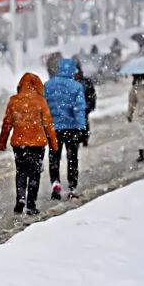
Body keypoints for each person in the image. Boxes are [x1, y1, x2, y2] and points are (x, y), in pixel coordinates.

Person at [0, 73, 58, 215]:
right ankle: (31, 205)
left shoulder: (14, 101)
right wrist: (54, 144)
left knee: (21, 171)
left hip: (19, 144)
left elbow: (7, 123)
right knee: (34, 173)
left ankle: (21, 198)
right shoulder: (40, 102)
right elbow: (48, 125)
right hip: (37, 144)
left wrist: (2, 142)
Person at [44, 58, 86, 200]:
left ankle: (55, 184)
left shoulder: (48, 86)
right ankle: (72, 187)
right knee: (72, 158)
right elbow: (79, 109)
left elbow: (44, 108)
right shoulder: (76, 86)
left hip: (54, 129)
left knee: (54, 158)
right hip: (72, 128)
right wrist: (81, 127)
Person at [73, 60, 96, 147]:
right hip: (75, 108)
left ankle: (84, 138)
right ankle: (78, 138)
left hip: (84, 107)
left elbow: (92, 94)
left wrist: (90, 105)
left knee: (84, 123)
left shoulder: (86, 82)